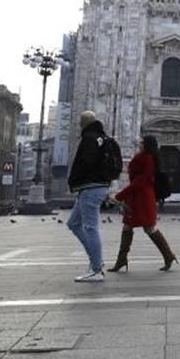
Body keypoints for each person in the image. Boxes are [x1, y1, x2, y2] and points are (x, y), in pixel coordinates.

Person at [109, 135, 178, 272]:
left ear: (146, 144)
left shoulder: (146, 159)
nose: (139, 142)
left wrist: (120, 195)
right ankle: (122, 260)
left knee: (148, 228)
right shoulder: (145, 157)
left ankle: (168, 255)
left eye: (142, 141)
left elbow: (140, 181)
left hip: (142, 199)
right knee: (129, 227)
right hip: (137, 198)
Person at [66, 111, 115, 282]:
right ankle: (96, 259)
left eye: (81, 122)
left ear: (84, 123)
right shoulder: (103, 137)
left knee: (90, 227)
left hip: (90, 187)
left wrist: (74, 180)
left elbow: (85, 163)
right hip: (95, 187)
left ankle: (96, 269)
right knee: (73, 223)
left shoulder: (89, 138)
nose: (79, 124)